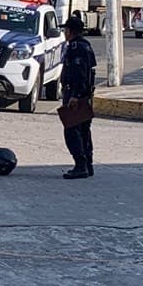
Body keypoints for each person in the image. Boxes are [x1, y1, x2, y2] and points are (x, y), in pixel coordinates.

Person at [59, 16, 97, 180]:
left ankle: (81, 165)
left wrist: (75, 96)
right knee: (83, 130)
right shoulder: (86, 45)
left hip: (76, 95)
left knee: (72, 131)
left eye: (65, 30)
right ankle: (87, 165)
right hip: (84, 95)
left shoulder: (76, 48)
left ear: (70, 31)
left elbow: (79, 74)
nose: (64, 33)